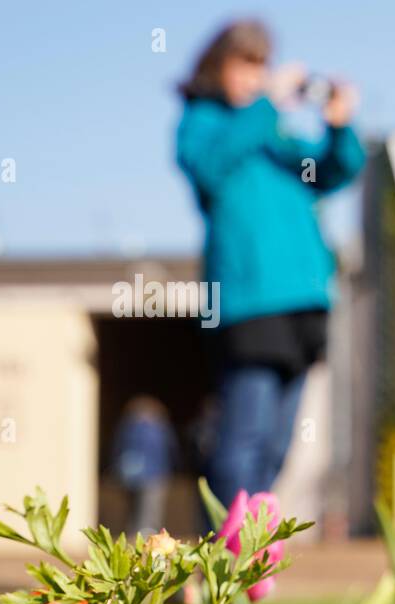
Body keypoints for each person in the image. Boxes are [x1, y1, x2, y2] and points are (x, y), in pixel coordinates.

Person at [175, 20, 363, 511]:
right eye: (245, 64)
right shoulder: (204, 123)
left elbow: (332, 169)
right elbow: (208, 164)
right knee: (243, 438)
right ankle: (222, 558)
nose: (254, 77)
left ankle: (248, 556)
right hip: (248, 304)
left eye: (261, 65)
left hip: (304, 302)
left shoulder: (273, 137)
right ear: (218, 67)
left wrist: (339, 124)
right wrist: (269, 104)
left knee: (278, 445)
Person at [112, 396, 179, 536]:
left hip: (130, 476)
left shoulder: (127, 427)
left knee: (134, 509)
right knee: (151, 510)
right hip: (155, 474)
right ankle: (148, 536)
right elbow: (171, 450)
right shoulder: (160, 428)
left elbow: (117, 450)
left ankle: (133, 535)